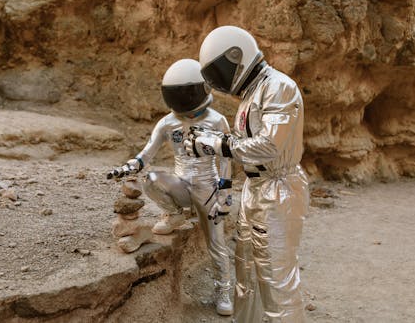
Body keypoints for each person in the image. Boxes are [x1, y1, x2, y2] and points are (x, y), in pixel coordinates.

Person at [184, 26, 309, 322]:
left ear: (235, 57)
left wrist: (217, 144)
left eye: (219, 71)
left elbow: (269, 147)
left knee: (276, 280)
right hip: (256, 189)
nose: (219, 82)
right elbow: (244, 146)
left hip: (278, 189)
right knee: (247, 275)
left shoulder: (279, 87)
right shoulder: (253, 92)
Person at [107, 59, 234, 316]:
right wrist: (129, 167)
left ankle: (225, 289)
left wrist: (224, 194)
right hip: (180, 185)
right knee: (152, 180)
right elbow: (147, 153)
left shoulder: (217, 121)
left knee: (216, 244)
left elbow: (226, 159)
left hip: (207, 189)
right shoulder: (167, 123)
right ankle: (175, 212)